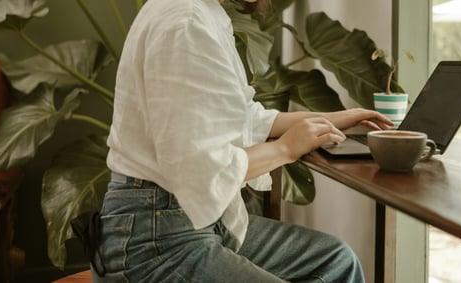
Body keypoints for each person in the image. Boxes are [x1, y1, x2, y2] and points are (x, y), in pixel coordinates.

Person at [94, 0, 393, 281]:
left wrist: (334, 117)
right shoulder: (186, 21)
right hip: (156, 239)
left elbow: (241, 116)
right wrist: (285, 148)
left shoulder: (201, 12)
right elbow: (198, 169)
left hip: (185, 219)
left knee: (336, 260)